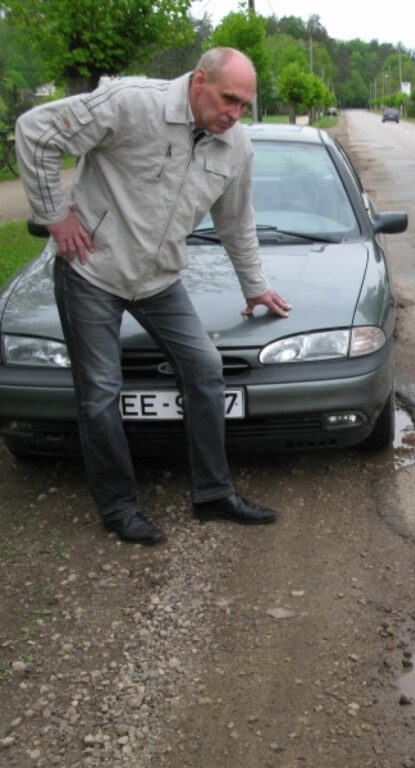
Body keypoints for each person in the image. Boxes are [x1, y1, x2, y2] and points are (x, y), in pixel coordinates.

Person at [15, 48, 291, 546]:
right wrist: (56, 215)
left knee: (206, 368)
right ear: (199, 81)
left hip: (160, 279)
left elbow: (236, 222)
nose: (234, 113)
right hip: (91, 271)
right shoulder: (130, 104)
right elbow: (37, 131)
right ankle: (119, 507)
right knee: (100, 393)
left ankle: (212, 494)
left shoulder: (236, 147)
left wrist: (255, 286)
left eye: (244, 106)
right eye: (228, 99)